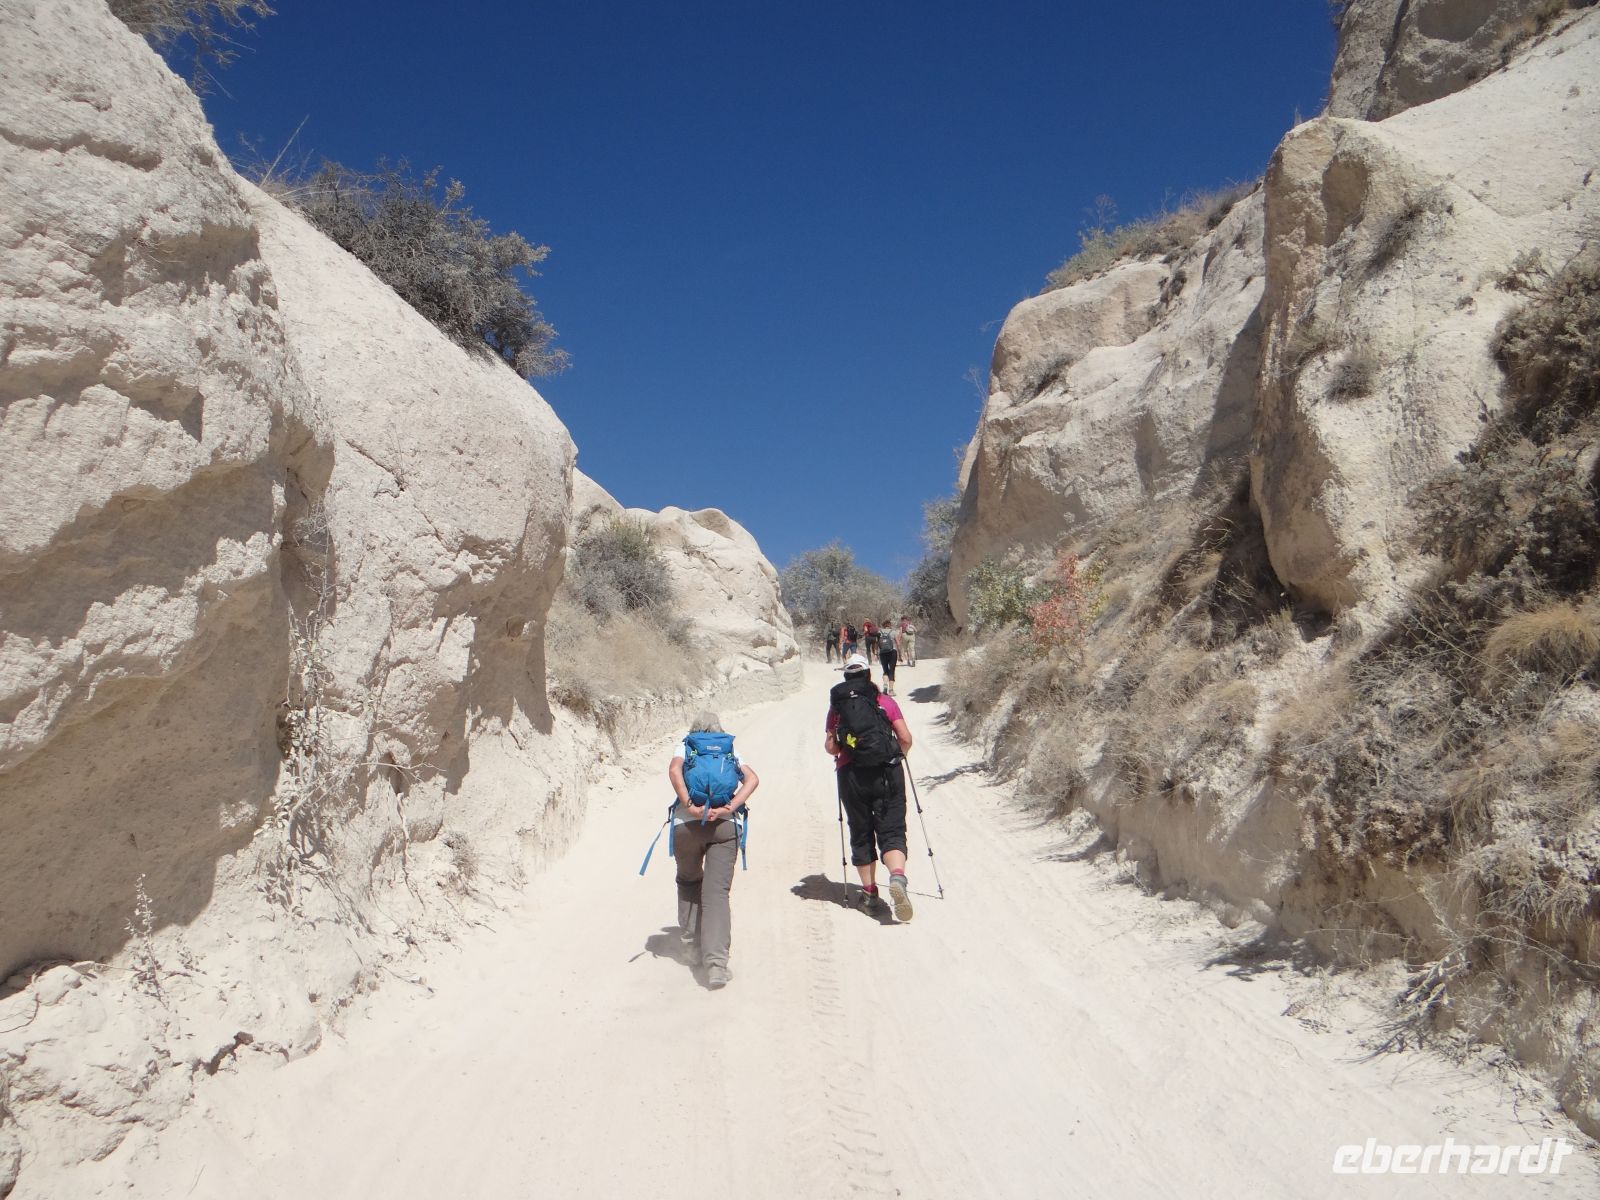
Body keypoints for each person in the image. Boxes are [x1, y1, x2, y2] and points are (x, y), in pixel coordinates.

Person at [668, 712, 759, 989]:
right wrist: (729, 808)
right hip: (724, 827)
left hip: (687, 826)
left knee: (688, 881)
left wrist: (690, 804)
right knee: (716, 894)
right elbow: (752, 779)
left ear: (694, 729)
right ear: (718, 730)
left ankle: (691, 948)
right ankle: (716, 965)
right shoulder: (729, 749)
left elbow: (674, 771)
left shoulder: (685, 745)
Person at [825, 655, 915, 921]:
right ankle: (897, 877)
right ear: (868, 675)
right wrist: (898, 756)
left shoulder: (838, 708)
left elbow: (831, 747)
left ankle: (870, 893)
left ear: (846, 678)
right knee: (892, 829)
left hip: (851, 775)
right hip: (887, 772)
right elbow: (906, 738)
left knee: (861, 831)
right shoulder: (884, 702)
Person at [877, 621, 898, 695]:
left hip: (882, 653)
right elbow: (897, 642)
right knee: (892, 670)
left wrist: (877, 653)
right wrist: (900, 653)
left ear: (883, 625)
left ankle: (885, 686)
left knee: (885, 670)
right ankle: (891, 690)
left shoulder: (879, 632)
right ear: (890, 625)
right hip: (892, 652)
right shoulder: (893, 632)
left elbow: (877, 643)